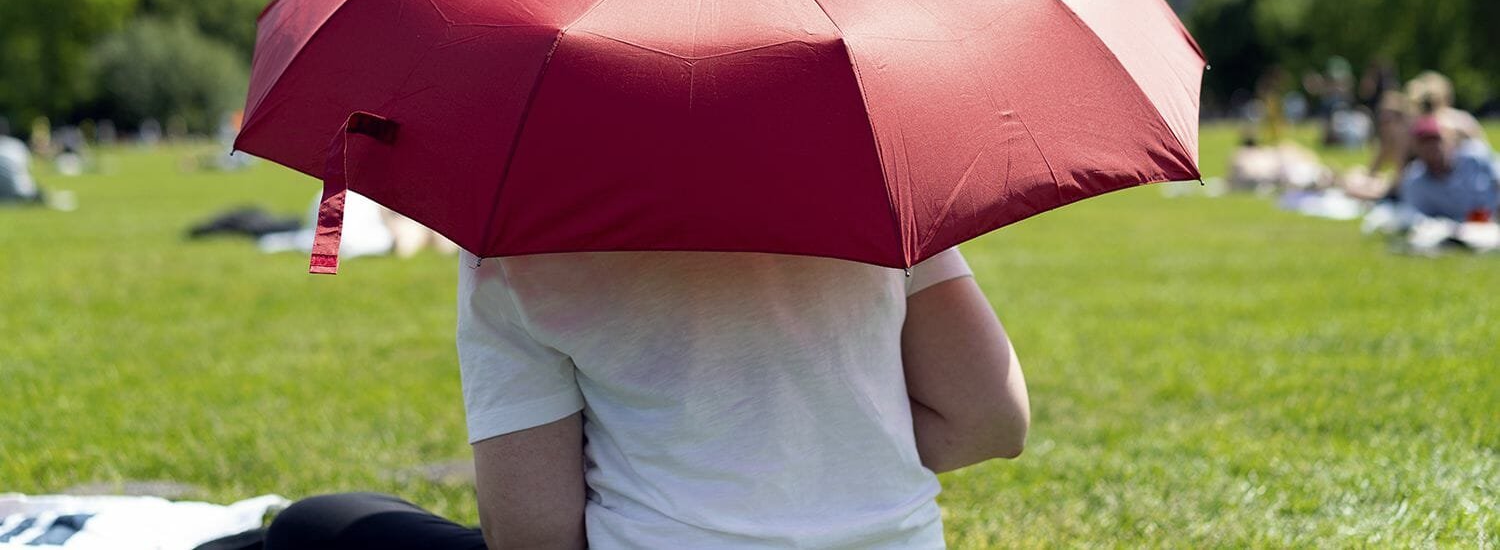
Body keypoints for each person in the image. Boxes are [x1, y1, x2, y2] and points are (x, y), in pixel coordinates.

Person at [265, 246, 1028, 549]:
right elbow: (991, 419)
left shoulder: (522, 240)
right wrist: (815, 457)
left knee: (314, 527)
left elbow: (535, 537)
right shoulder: (875, 195)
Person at [1398, 115, 1498, 221]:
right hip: (1454, 233)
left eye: (1436, 139)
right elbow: (1418, 220)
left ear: (1449, 140)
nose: (1432, 147)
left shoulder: (1476, 156)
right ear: (1416, 148)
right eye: (1424, 142)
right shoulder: (1414, 181)